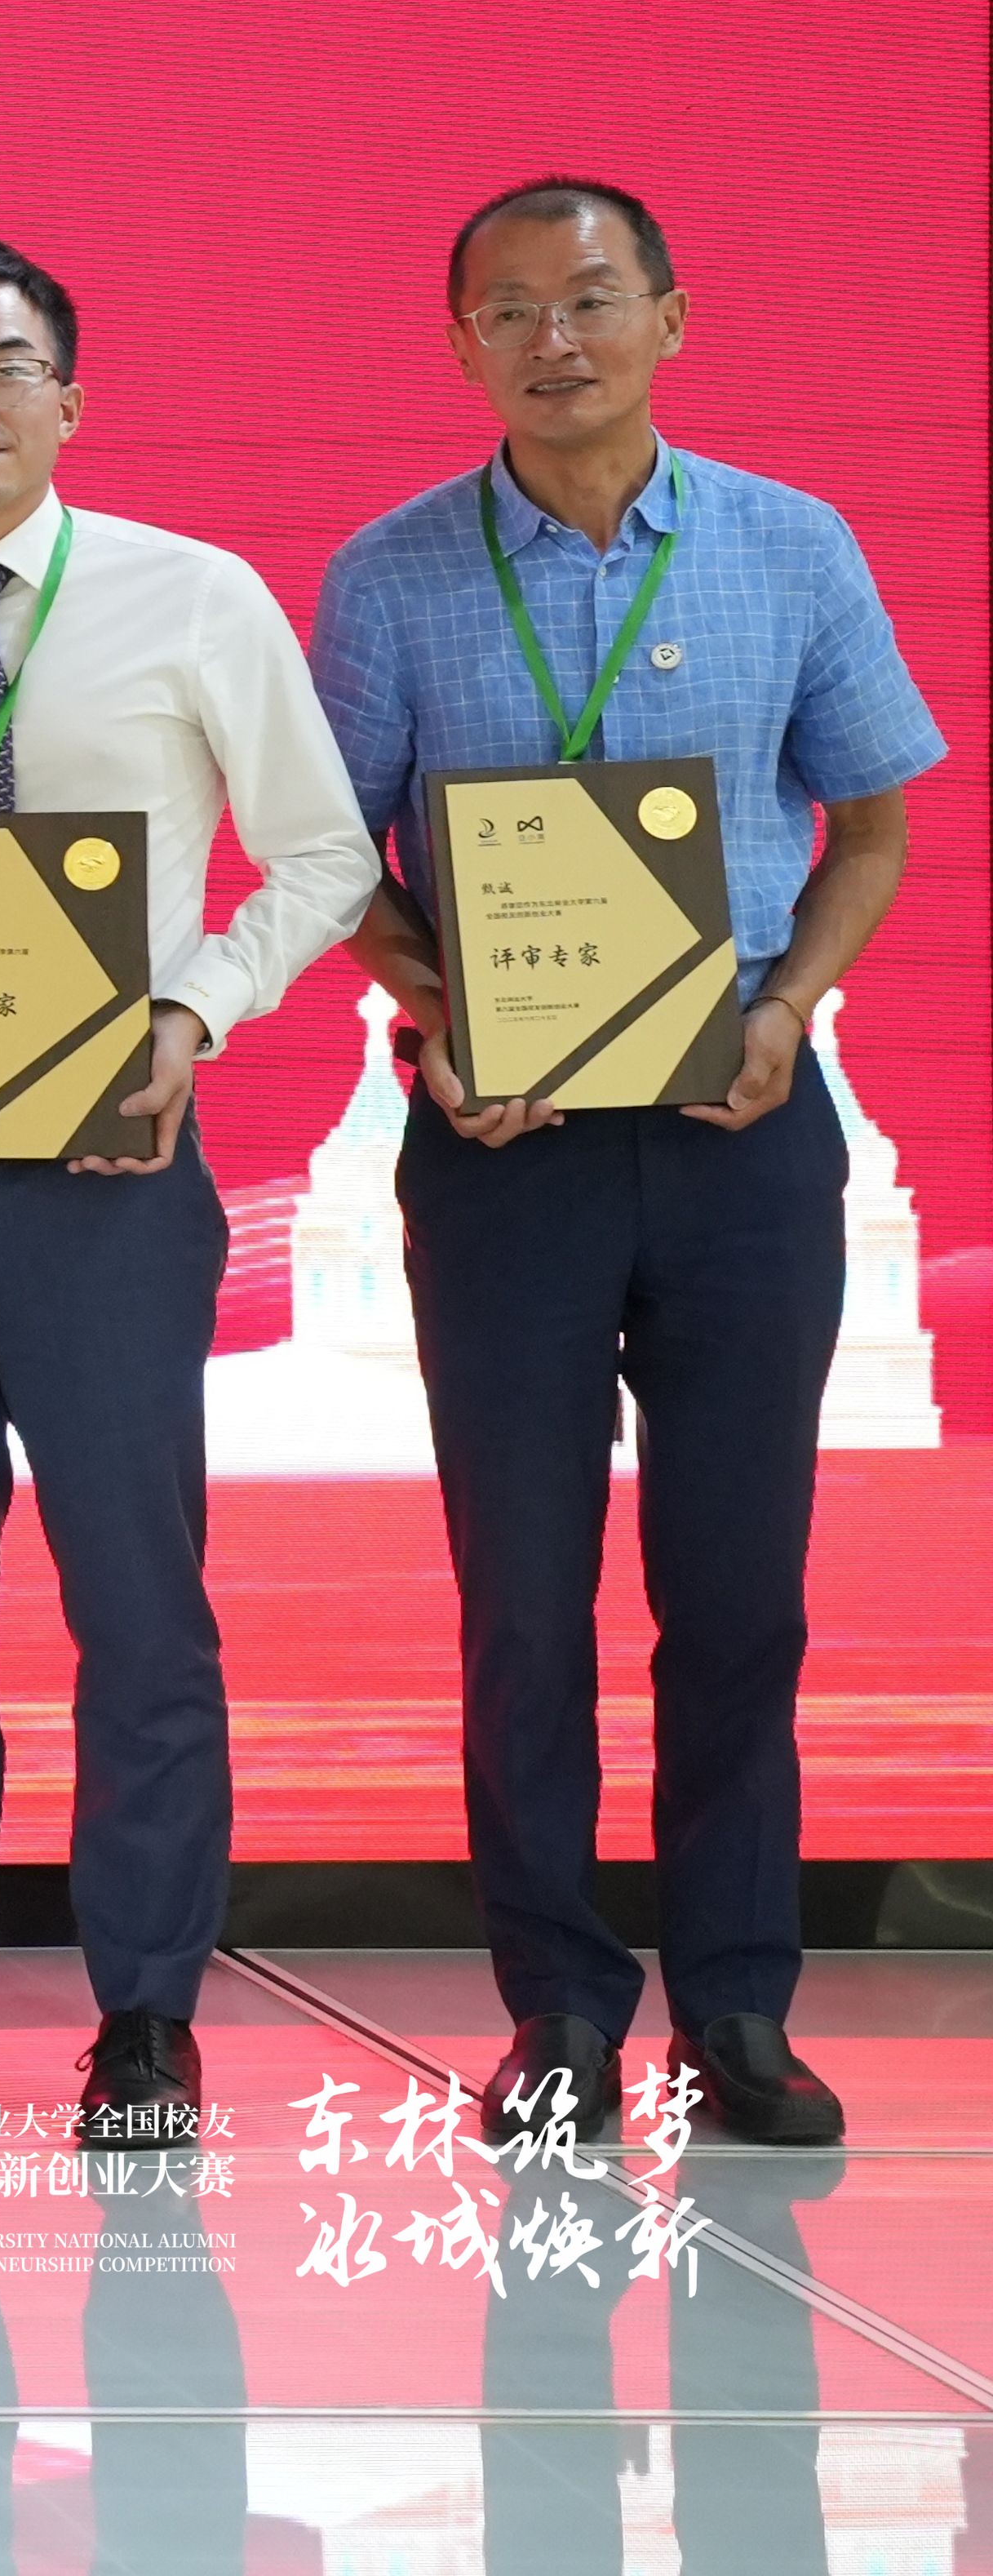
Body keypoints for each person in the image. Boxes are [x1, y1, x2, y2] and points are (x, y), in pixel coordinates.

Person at [316, 179, 938, 2150]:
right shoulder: (390, 575)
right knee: (523, 1601)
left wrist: (787, 1010)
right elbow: (336, 861)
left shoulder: (791, 544)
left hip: (735, 1125)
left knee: (738, 1589)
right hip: (502, 1150)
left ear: (671, 316)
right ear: (459, 345)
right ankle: (560, 2010)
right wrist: (434, 1012)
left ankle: (738, 2003)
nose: (552, 339)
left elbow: (869, 827)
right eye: (506, 308)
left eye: (589, 299)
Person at [0, 238, 370, 2143]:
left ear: (68, 401)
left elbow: (325, 854)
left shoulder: (194, 597)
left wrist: (194, 1003)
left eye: (5, 366)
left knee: (137, 1593)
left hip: (112, 1156)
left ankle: (147, 2013)